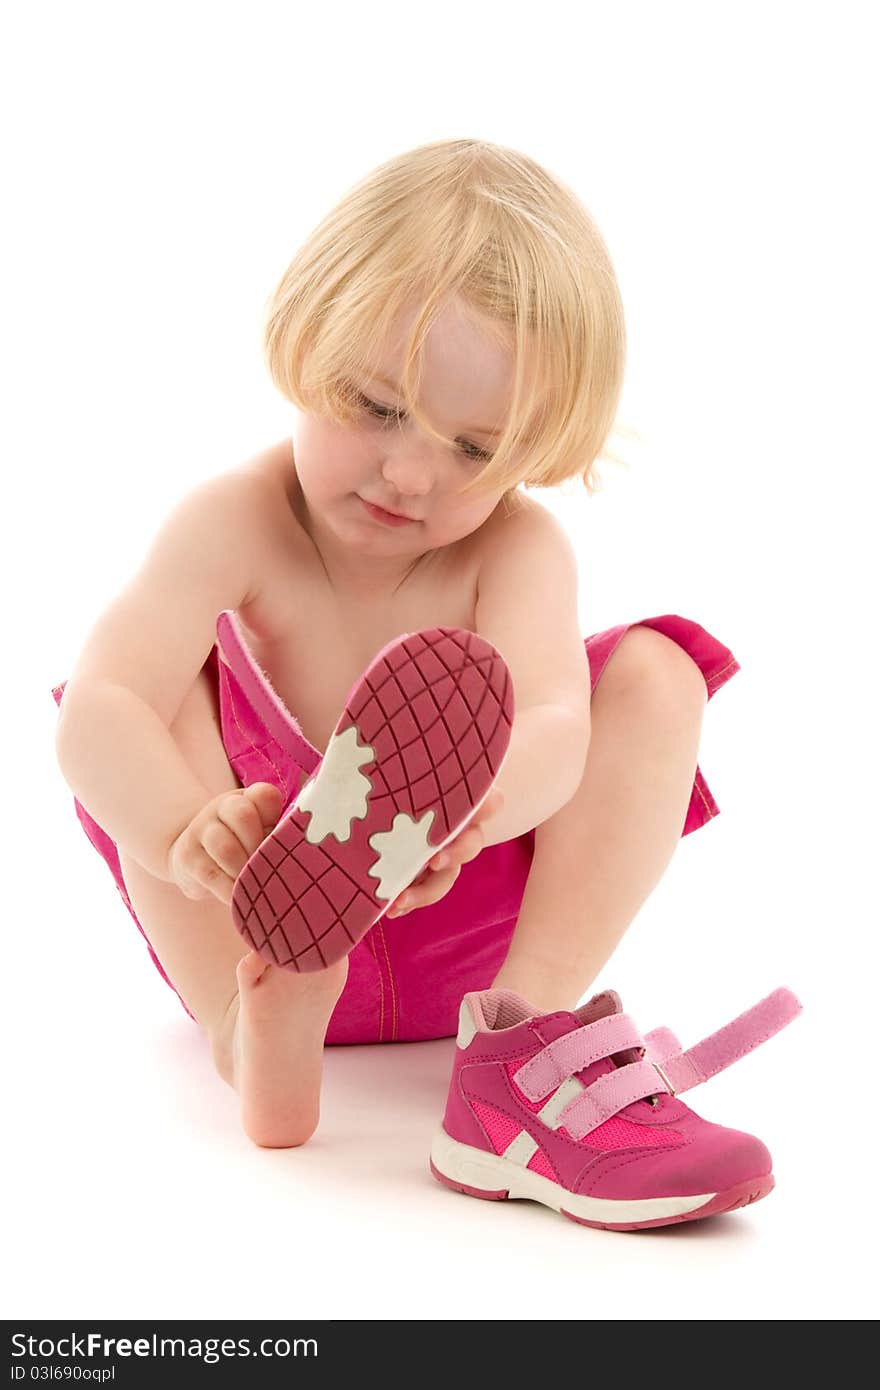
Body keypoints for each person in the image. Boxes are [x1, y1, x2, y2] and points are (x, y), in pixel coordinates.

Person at [52, 138, 798, 1228]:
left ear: (532, 450)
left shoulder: (517, 551)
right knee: (139, 702)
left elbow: (550, 718)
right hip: (252, 896)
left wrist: (475, 805)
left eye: (472, 447)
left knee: (652, 673)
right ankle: (248, 1028)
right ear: (306, 346)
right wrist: (182, 830)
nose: (412, 474)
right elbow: (96, 715)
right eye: (377, 407)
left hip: (452, 893)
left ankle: (518, 1040)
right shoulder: (232, 522)